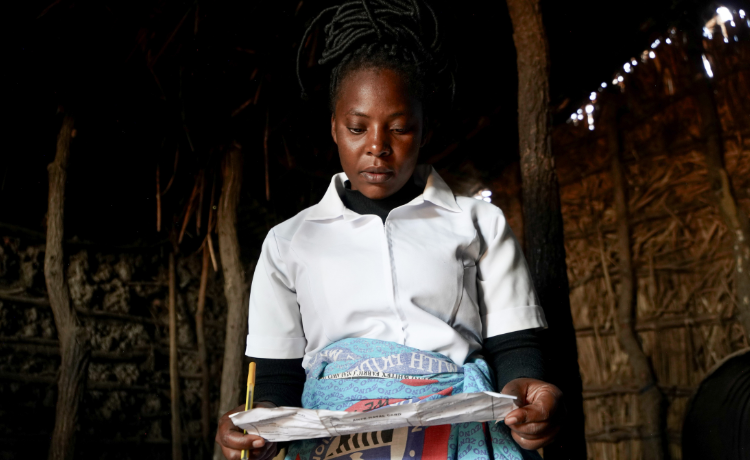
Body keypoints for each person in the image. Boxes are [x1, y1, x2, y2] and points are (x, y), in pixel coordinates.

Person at [216, 1, 562, 459]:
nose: (377, 148)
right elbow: (275, 382)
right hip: (332, 442)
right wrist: (255, 424)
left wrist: (528, 397)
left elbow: (515, 346)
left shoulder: (479, 223)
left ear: (422, 131)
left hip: (459, 429)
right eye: (357, 128)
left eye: (399, 128)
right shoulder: (288, 242)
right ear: (335, 129)